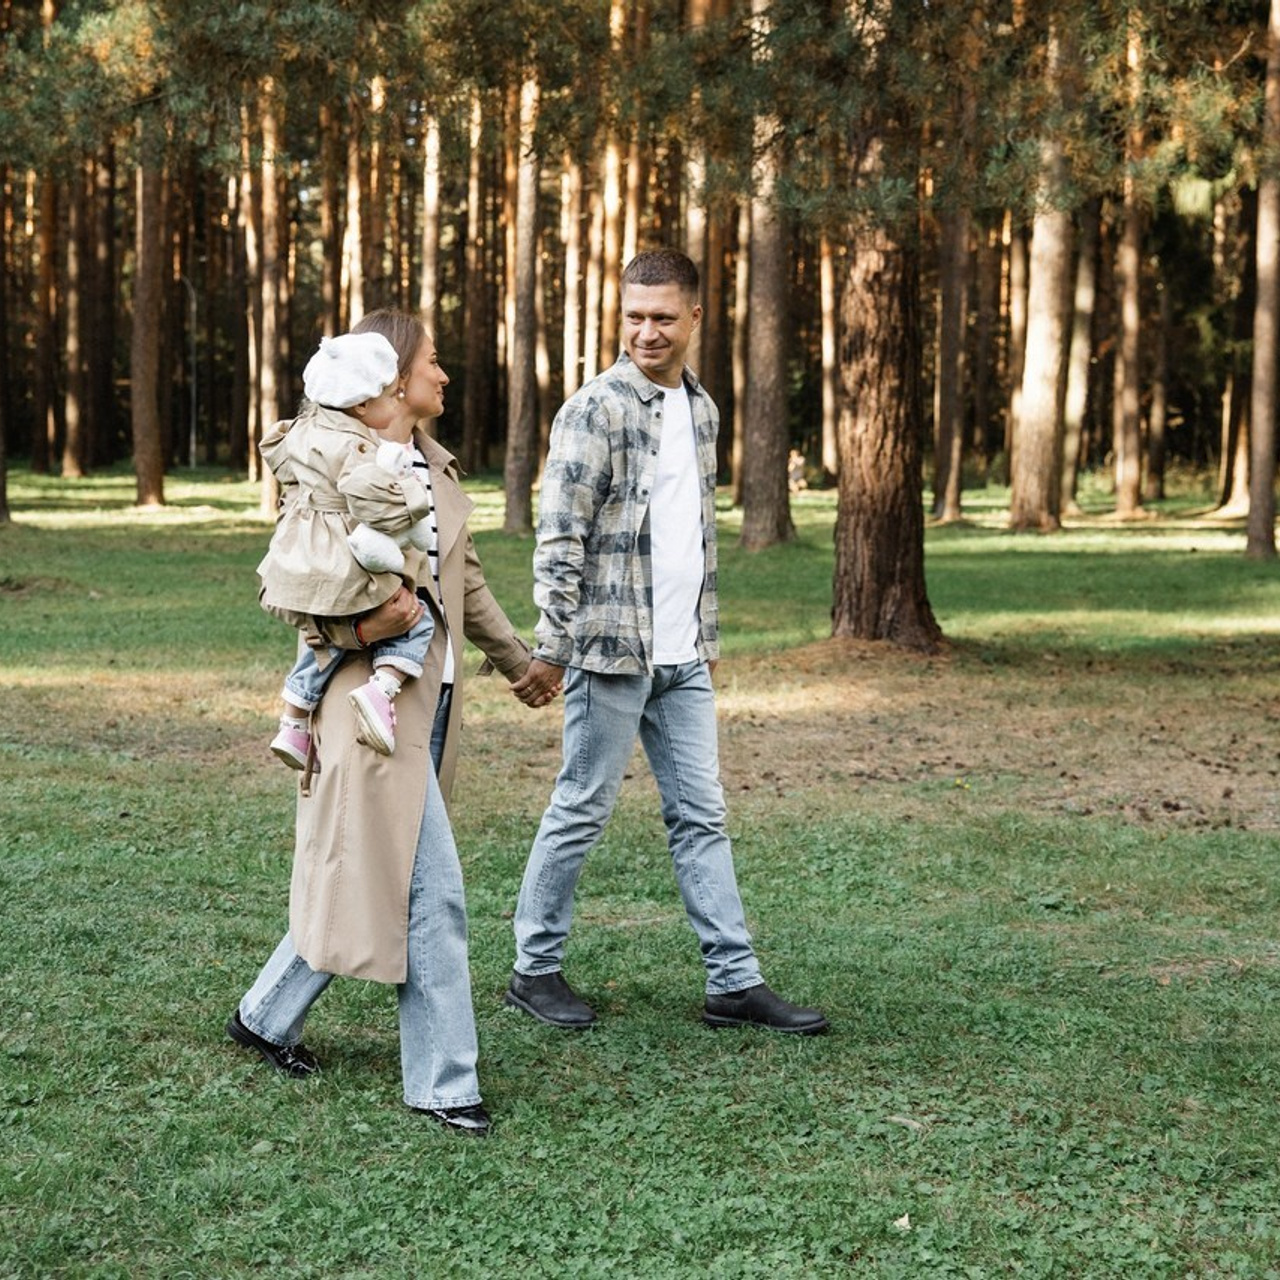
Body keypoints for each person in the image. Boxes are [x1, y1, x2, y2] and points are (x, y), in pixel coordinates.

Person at [228, 309, 553, 1136]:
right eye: (433, 362)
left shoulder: (436, 469)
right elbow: (305, 590)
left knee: (372, 868)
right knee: (430, 891)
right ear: (391, 377)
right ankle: (445, 1082)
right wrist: (368, 627)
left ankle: (264, 1017)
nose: (444, 377)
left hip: (429, 696)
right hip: (361, 702)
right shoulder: (334, 466)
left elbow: (463, 581)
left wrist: (517, 664)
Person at [504, 249, 828, 1036]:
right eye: (634, 316)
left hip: (682, 657)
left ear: (694, 319)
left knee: (702, 817)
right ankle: (533, 970)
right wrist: (553, 645)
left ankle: (733, 982)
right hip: (611, 652)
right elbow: (561, 538)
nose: (646, 332)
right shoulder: (595, 409)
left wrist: (704, 632)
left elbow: (695, 533)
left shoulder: (704, 409)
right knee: (581, 807)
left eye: (661, 317)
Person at [258, 331, 441, 769]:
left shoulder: (302, 430)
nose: (396, 400)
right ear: (361, 405)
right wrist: (414, 501)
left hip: (300, 556)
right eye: (389, 394)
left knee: (318, 638)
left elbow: (277, 454)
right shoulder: (358, 445)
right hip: (344, 556)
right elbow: (369, 497)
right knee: (415, 620)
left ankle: (293, 719)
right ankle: (382, 689)